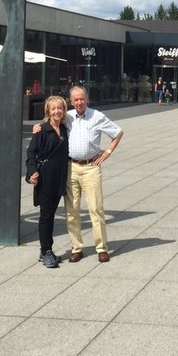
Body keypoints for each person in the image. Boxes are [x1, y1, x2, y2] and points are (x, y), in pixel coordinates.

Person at [33, 85, 123, 262]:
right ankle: (76, 248)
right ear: (71, 102)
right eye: (75, 100)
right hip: (71, 168)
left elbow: (118, 133)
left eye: (82, 98)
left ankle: (101, 248)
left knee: (96, 209)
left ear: (86, 99)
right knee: (71, 210)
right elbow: (51, 122)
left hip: (91, 168)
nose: (79, 102)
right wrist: (37, 127)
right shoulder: (68, 117)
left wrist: (107, 153)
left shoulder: (97, 116)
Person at [25, 96, 70, 268]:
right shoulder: (42, 130)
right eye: (53, 109)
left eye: (60, 108)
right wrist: (33, 172)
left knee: (50, 214)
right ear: (48, 112)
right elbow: (31, 154)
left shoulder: (65, 129)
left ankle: (44, 250)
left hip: (59, 178)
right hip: (46, 178)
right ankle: (46, 251)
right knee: (46, 216)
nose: (57, 111)